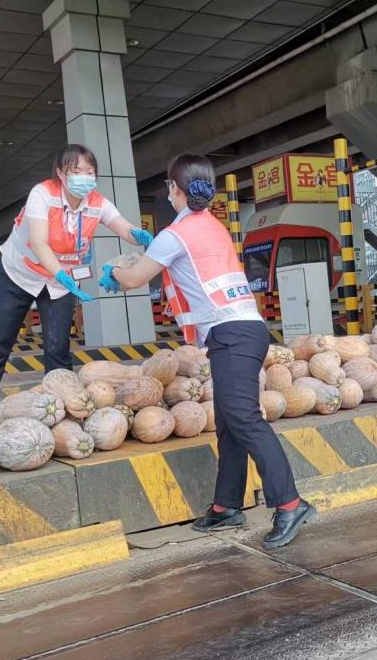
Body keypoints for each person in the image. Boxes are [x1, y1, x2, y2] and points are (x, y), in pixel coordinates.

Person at [100, 153, 315, 549]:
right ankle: (226, 506)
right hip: (244, 329)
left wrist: (112, 271)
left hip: (231, 333)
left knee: (243, 419)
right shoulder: (210, 225)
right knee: (231, 422)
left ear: (173, 189)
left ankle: (290, 503)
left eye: (168, 185)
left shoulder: (175, 234)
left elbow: (132, 277)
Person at [0, 144, 152, 404]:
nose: (84, 178)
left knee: (57, 348)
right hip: (18, 274)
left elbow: (123, 227)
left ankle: (63, 410)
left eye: (90, 172)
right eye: (76, 171)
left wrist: (141, 236)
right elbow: (39, 242)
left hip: (60, 281)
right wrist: (61, 274)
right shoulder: (43, 194)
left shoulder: (97, 204)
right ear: (61, 173)